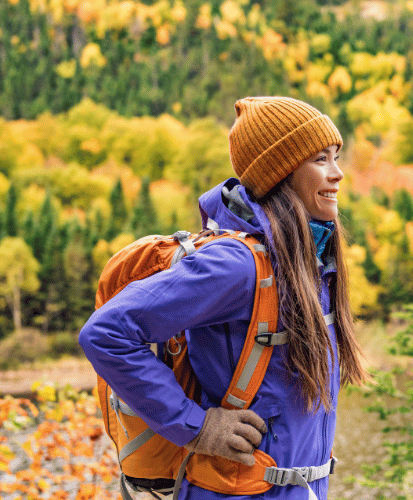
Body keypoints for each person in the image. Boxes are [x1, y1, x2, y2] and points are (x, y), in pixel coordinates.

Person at [79, 96, 368, 500]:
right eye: (321, 160)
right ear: (280, 173)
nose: (337, 174)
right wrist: (196, 427)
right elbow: (106, 333)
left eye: (336, 157)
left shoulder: (310, 262)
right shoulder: (237, 265)